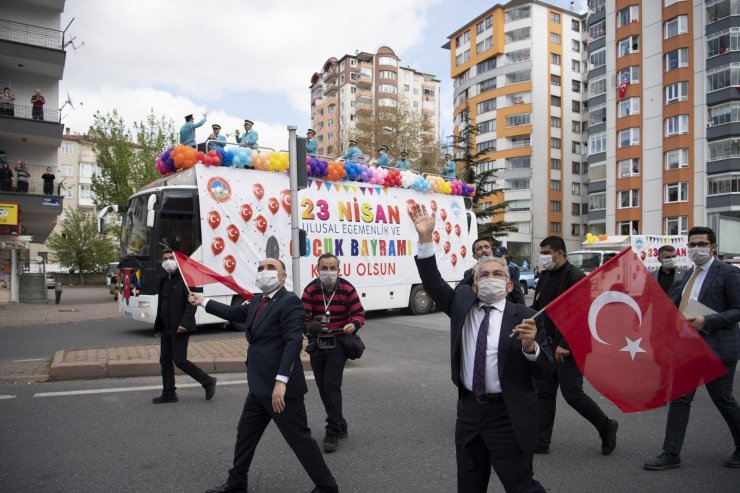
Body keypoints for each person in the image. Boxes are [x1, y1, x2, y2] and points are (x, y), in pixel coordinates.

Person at [410, 203, 552, 493]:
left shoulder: (527, 318)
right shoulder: (462, 305)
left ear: (510, 286)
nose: (490, 278)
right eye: (483, 275)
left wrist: (530, 347)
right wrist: (426, 238)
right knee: (470, 485)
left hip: (508, 415)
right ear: (474, 287)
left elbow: (546, 371)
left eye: (497, 274)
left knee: (520, 485)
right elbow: (433, 282)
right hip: (470, 412)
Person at [189, 258, 338, 493]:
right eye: (260, 268)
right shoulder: (257, 300)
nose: (264, 272)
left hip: (281, 391)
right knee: (245, 435)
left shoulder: (289, 302)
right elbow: (233, 312)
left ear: (282, 277)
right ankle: (237, 483)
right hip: (259, 387)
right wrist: (203, 301)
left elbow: (293, 341)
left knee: (299, 439)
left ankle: (327, 487)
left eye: (270, 268)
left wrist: (281, 381)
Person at [644, 226, 740, 471]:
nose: (696, 249)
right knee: (679, 398)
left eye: (701, 244)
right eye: (692, 244)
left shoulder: (728, 273)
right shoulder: (689, 274)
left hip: (718, 347)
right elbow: (677, 306)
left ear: (713, 247)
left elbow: (738, 310)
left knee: (723, 399)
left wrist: (708, 321)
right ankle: (671, 453)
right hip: (689, 347)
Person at [531, 236, 619, 455]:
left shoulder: (576, 277)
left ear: (560, 253)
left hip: (568, 347)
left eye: (546, 252)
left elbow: (582, 315)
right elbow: (537, 308)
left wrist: (565, 344)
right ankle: (542, 441)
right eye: (541, 252)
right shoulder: (545, 276)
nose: (543, 257)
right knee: (544, 393)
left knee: (573, 395)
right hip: (546, 344)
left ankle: (607, 426)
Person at [301, 253, 365, 453]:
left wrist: (353, 325)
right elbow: (302, 318)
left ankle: (333, 430)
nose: (328, 272)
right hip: (318, 342)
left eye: (332, 268)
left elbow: (359, 314)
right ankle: (340, 422)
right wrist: (310, 326)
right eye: (324, 268)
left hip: (338, 341)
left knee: (331, 385)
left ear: (339, 269)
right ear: (317, 269)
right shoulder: (310, 289)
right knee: (322, 387)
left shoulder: (347, 288)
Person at [152, 249, 216, 404]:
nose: (168, 261)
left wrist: (184, 324)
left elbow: (191, 304)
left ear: (177, 261)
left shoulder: (186, 279)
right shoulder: (163, 279)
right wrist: (158, 327)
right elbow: (161, 304)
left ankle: (207, 381)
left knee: (179, 360)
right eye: (165, 258)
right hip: (166, 327)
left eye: (170, 258)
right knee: (165, 360)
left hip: (180, 326)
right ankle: (169, 393)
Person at [463, 237, 525, 305]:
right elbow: (460, 292)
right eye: (479, 248)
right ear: (474, 255)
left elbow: (518, 297)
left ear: (491, 252)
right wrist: (473, 273)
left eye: (486, 247)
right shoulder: (468, 273)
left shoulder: (507, 269)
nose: (484, 250)